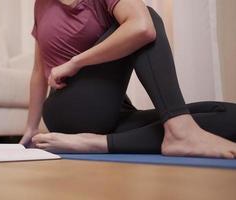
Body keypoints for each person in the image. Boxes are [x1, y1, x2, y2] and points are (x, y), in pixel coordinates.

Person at [19, 0, 236, 158]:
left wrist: (76, 61)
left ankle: (97, 142)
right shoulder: (42, 4)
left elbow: (141, 27)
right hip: (67, 109)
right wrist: (31, 128)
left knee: (229, 116)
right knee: (145, 16)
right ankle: (179, 130)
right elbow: (39, 70)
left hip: (112, 112)